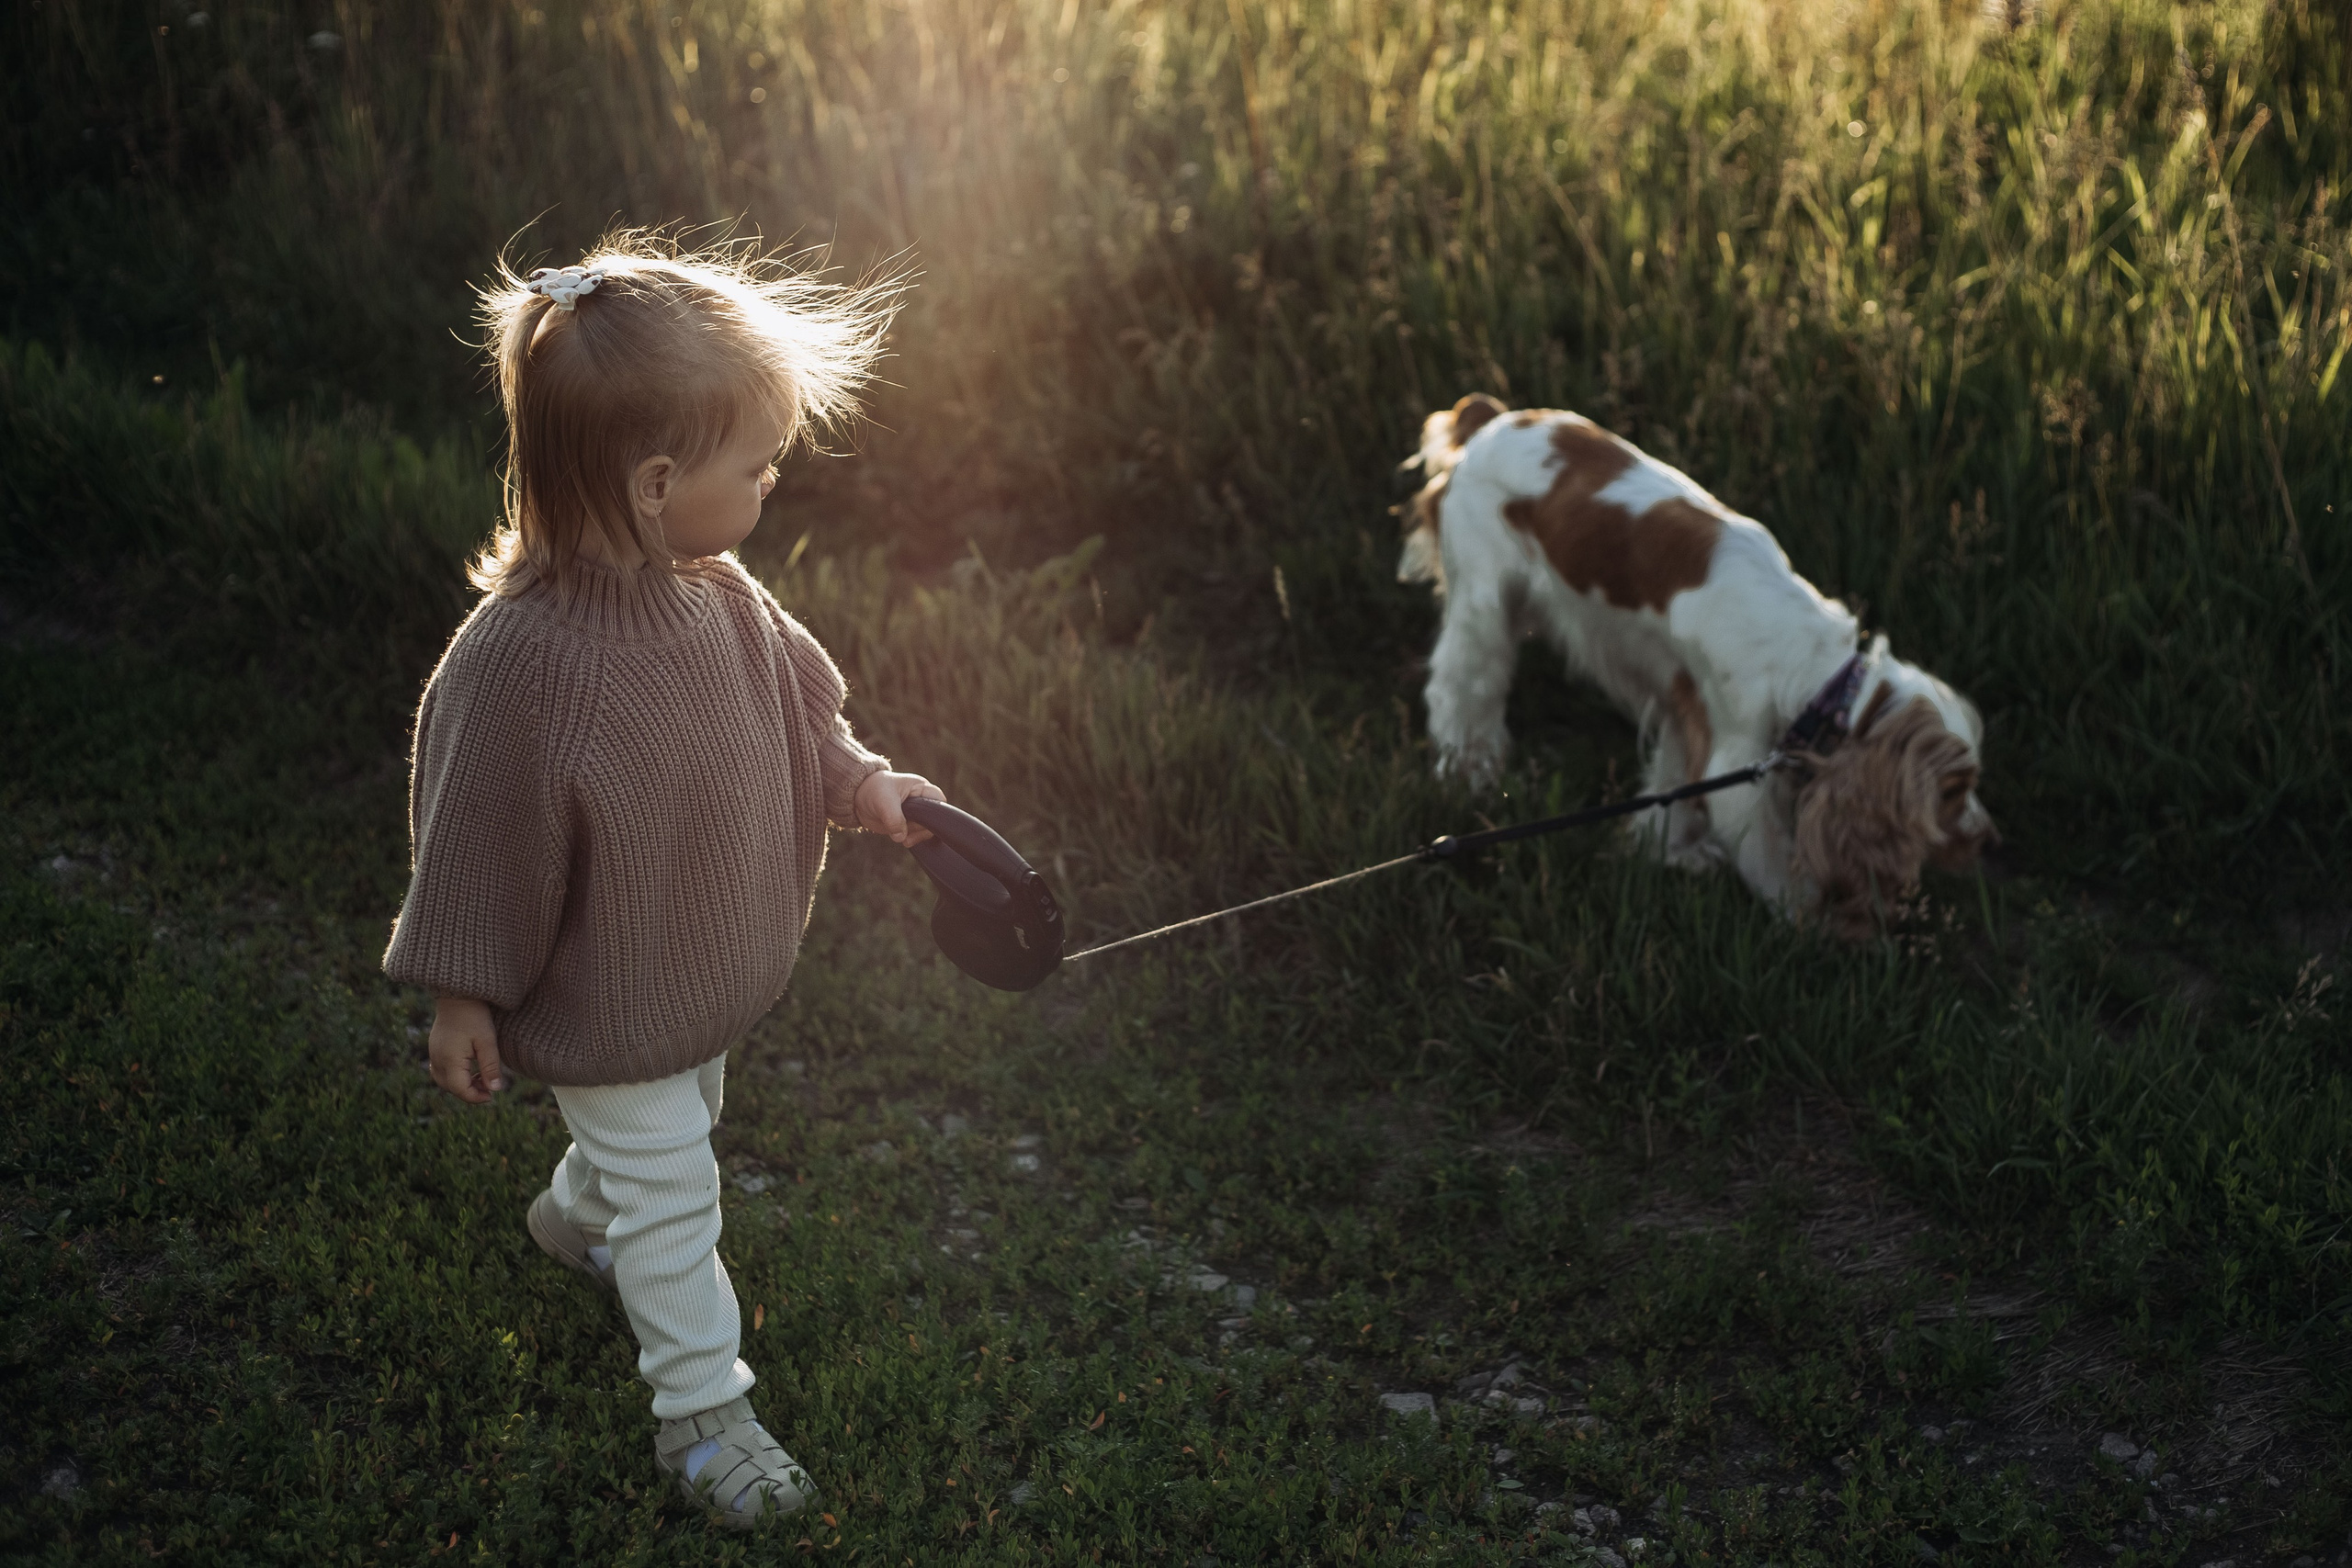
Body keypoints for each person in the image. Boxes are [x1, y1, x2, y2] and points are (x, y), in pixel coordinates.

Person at [383, 234, 937, 1529]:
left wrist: (866, 787)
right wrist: (462, 994)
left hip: (693, 983)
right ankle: (701, 1416)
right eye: (757, 465)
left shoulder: (723, 597)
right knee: (678, 1190)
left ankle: (578, 1220)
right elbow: (472, 837)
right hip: (606, 996)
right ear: (655, 484)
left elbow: (802, 721)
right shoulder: (519, 663)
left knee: (678, 1125)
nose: (772, 482)